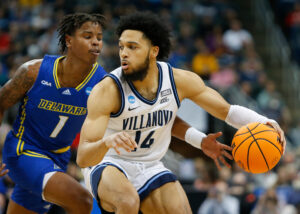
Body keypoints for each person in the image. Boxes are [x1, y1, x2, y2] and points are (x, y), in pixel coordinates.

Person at [77, 12, 286, 214]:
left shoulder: (178, 81)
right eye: (122, 46)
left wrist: (264, 121)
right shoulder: (107, 90)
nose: (123, 53)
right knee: (128, 201)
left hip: (149, 164)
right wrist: (108, 142)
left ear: (153, 51)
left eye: (132, 47)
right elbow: (83, 157)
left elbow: (225, 111)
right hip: (108, 162)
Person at [0, 13, 107, 213]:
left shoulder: (103, 83)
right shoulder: (34, 71)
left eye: (99, 38)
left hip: (57, 157)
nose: (96, 43)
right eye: (87, 36)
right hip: (23, 150)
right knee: (83, 201)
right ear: (69, 40)